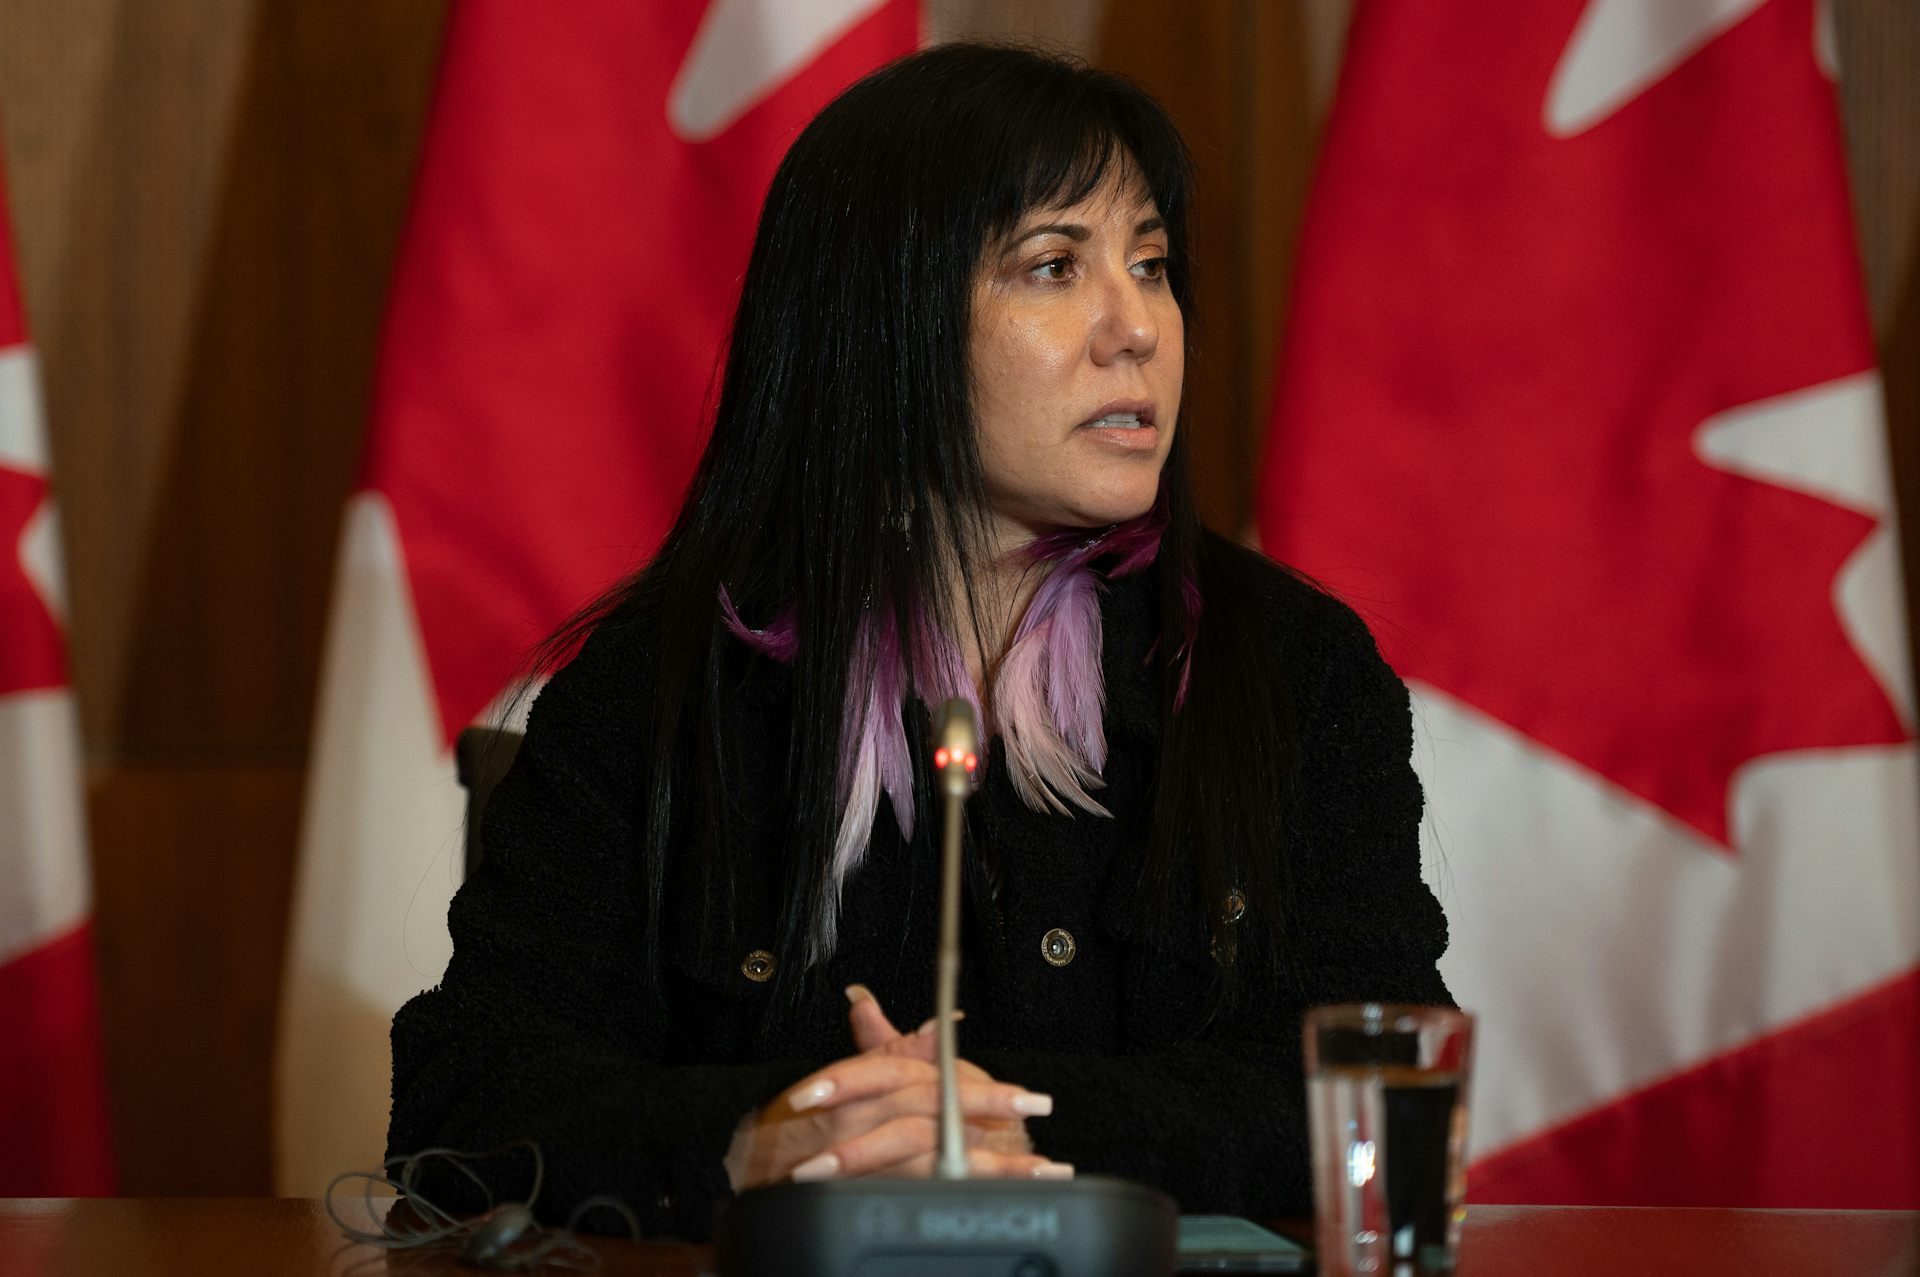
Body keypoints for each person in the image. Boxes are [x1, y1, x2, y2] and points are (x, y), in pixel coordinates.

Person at [387, 42, 1451, 1241]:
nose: (1138, 328)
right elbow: (459, 1093)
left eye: (1152, 266)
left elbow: (1384, 1079)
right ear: (883, 323)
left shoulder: (1288, 669)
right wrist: (770, 1131)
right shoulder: (668, 683)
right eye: (1055, 265)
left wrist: (1010, 1123)